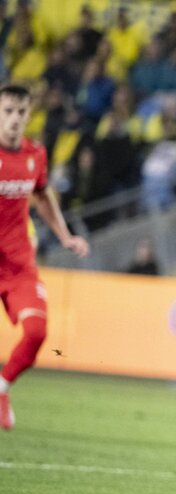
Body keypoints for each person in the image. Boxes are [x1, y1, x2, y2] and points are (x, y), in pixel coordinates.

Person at [0, 83, 89, 430]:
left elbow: (42, 196)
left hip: (19, 264)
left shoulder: (35, 154)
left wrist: (65, 236)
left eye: (21, 112)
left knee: (37, 332)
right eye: (7, 111)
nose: (14, 119)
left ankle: (2, 388)